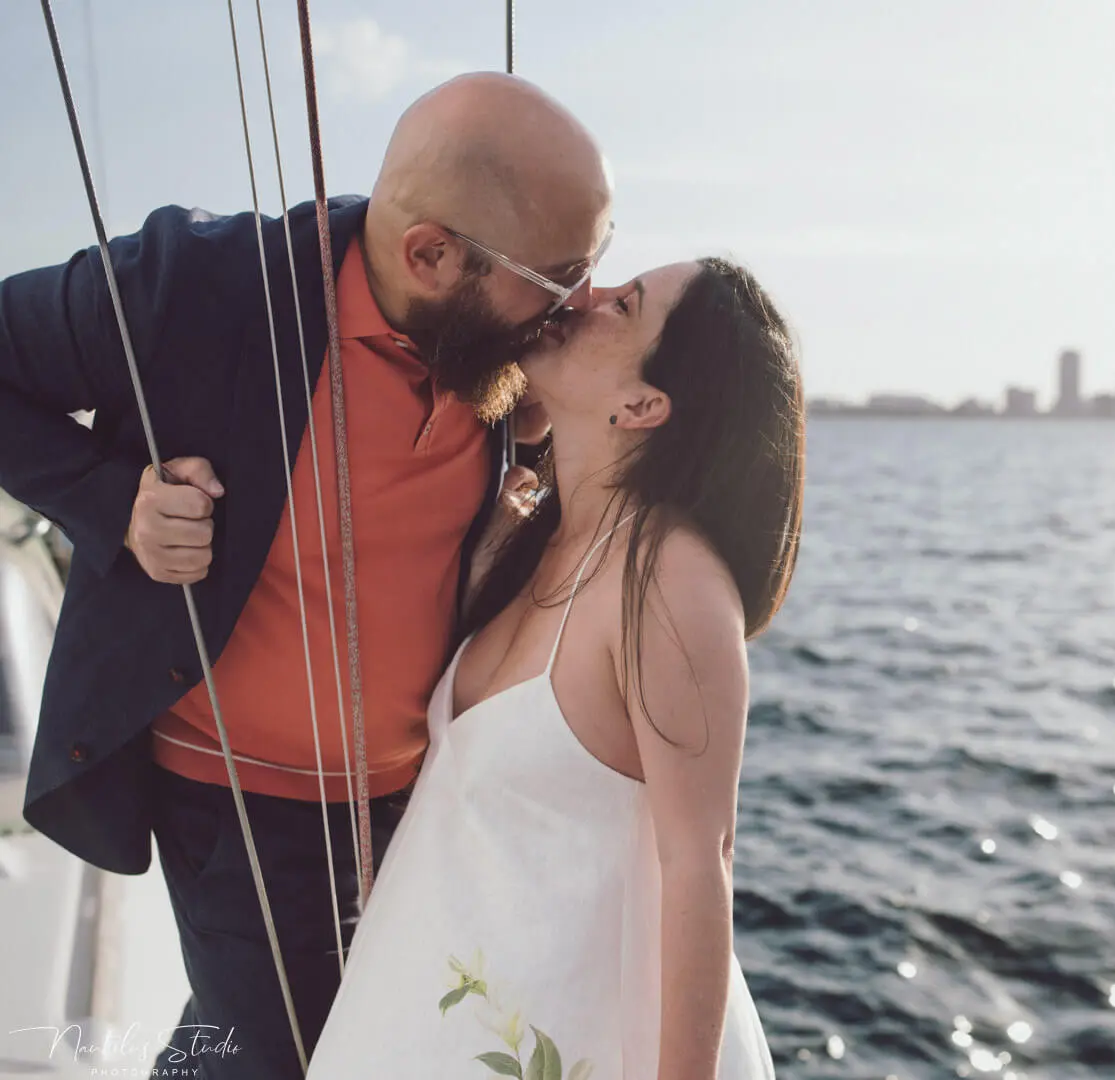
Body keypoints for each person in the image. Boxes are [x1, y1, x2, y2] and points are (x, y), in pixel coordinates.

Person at [0, 73, 610, 1077]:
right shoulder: (193, 285)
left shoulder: (498, 335)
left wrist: (546, 448)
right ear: (431, 255)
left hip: (427, 799)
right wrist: (120, 507)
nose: (576, 310)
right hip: (236, 804)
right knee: (277, 1060)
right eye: (562, 278)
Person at [305, 259, 795, 1077]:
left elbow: (700, 865)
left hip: (580, 1043)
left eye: (624, 304)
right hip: (438, 1010)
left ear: (643, 404)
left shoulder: (670, 581)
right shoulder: (526, 524)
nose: (586, 295)